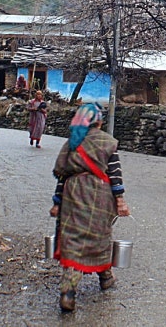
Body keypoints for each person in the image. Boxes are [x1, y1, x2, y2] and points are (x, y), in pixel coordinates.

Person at [49, 103, 130, 312]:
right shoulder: (107, 142)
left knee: (74, 238)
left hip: (72, 194)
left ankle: (69, 291)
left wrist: (57, 202)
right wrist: (120, 200)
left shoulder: (71, 143)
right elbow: (115, 174)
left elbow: (62, 175)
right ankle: (105, 278)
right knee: (99, 236)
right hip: (99, 195)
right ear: (99, 121)